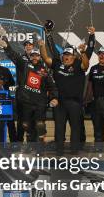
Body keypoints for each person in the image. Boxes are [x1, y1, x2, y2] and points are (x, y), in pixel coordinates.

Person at [40, 27, 93, 155]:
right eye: (65, 55)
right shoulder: (58, 65)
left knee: (75, 128)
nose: (66, 57)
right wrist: (42, 46)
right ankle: (59, 152)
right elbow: (46, 58)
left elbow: (86, 65)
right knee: (59, 128)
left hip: (74, 102)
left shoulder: (78, 65)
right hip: (59, 103)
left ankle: (74, 151)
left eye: (69, 55)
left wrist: (83, 52)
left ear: (74, 56)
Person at [1, 37, 58, 154]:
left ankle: (40, 148)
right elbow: (15, 56)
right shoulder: (25, 65)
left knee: (40, 125)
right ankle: (31, 145)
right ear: (30, 57)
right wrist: (6, 46)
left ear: (40, 57)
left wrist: (54, 97)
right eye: (33, 56)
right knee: (26, 125)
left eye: (37, 56)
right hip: (26, 102)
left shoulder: (44, 70)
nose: (35, 57)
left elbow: (52, 86)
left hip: (39, 103)